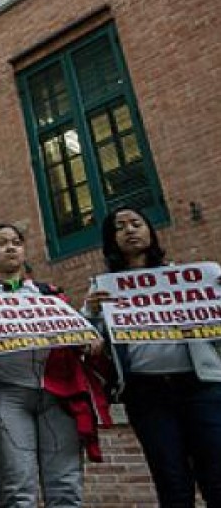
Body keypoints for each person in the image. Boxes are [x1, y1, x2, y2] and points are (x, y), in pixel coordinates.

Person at [85, 205, 221, 507]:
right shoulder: (103, 289)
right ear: (112, 240)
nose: (130, 230)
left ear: (150, 231)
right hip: (147, 394)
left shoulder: (186, 278)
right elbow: (90, 340)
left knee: (217, 474)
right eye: (120, 227)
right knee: (171, 481)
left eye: (136, 223)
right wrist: (92, 315)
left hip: (199, 386)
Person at [0, 223, 108, 508]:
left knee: (66, 485)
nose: (11, 247)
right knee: (17, 489)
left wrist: (90, 332)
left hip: (57, 394)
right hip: (5, 392)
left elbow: (76, 334)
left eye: (17, 242)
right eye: (1, 242)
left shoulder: (50, 294)